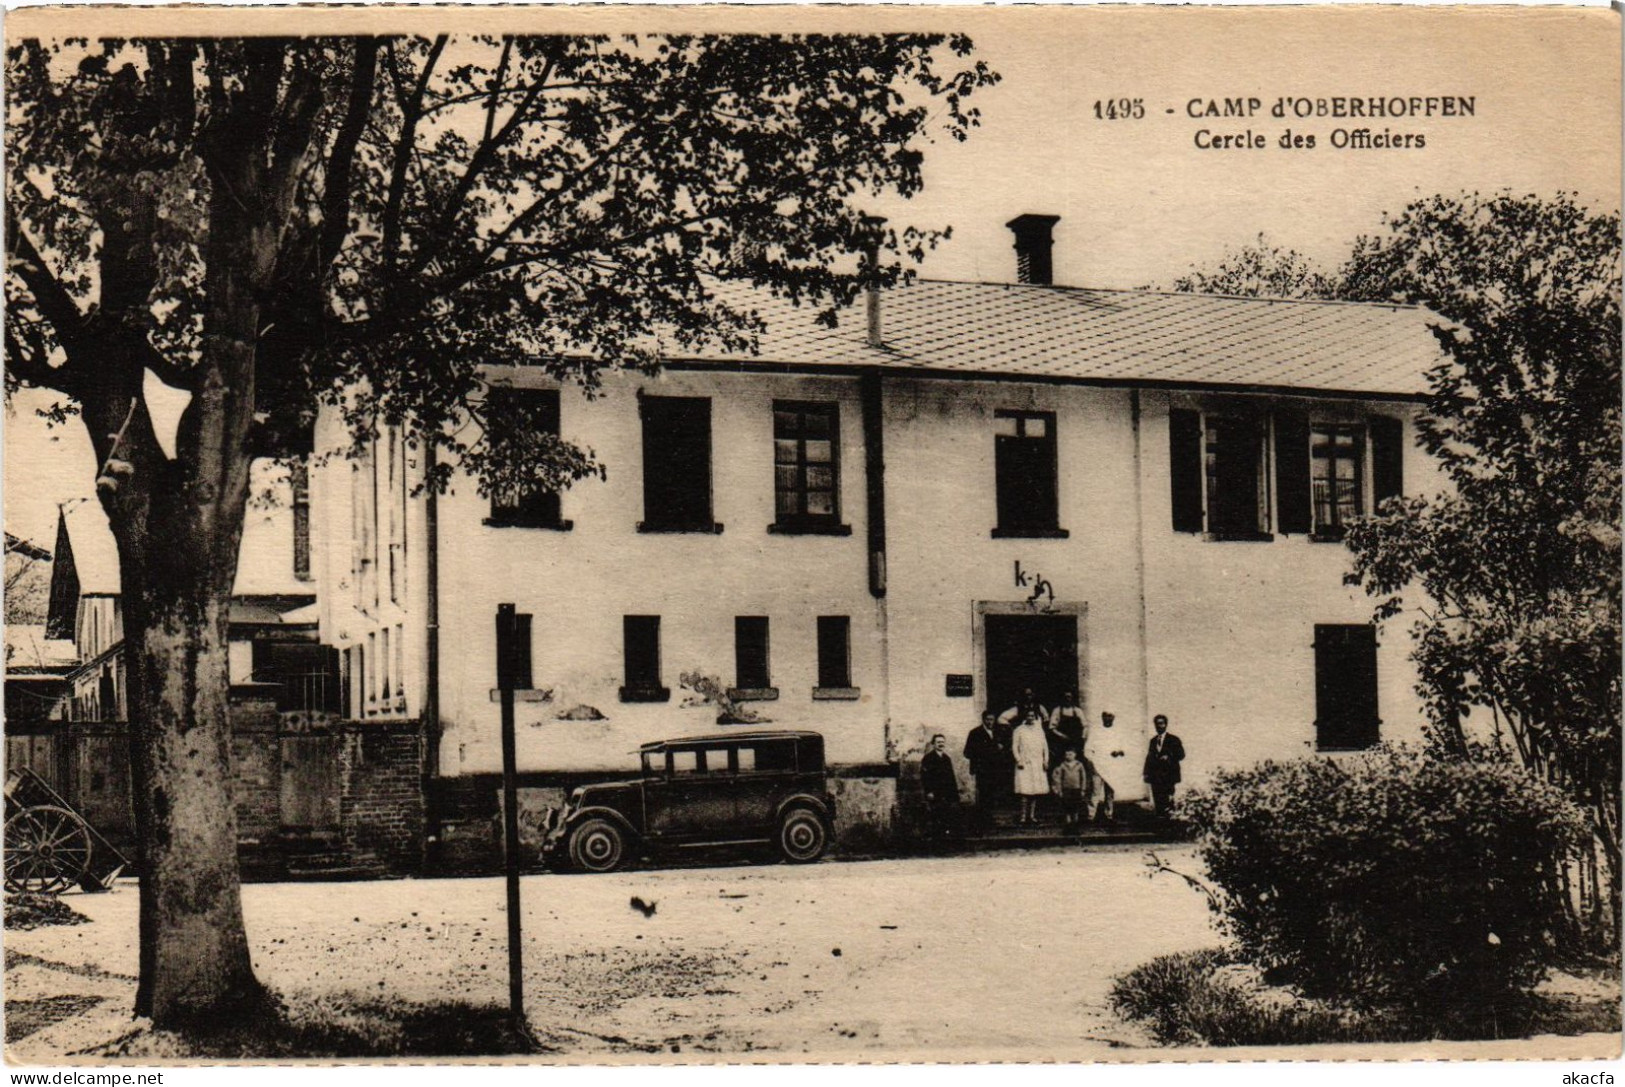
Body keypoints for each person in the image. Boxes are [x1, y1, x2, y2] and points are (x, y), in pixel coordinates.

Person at [963, 711, 1008, 832]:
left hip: (995, 769)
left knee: (992, 795)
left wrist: (1000, 749)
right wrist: (983, 752)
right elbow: (967, 752)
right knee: (983, 795)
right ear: (983, 720)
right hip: (982, 770)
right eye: (987, 719)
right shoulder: (975, 733)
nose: (990, 722)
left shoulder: (998, 732)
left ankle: (989, 819)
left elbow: (1004, 750)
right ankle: (983, 821)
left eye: (992, 719)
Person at [1010, 710, 1050, 825]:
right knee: (1024, 791)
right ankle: (1023, 816)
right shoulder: (1019, 730)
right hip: (1024, 763)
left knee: (1035, 791)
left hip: (1037, 762)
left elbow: (1045, 747)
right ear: (1025, 717)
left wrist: (1045, 761)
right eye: (1028, 715)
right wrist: (1019, 760)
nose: (1030, 717)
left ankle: (1031, 816)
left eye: (1033, 716)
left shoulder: (1039, 730)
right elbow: (1014, 746)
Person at [1143, 714, 1186, 818]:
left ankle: (1169, 823)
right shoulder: (1153, 741)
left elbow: (1181, 755)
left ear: (1166, 725)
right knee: (1158, 799)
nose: (1159, 726)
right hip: (1156, 776)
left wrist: (1169, 757)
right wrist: (1146, 773)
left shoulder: (1174, 739)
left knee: (1168, 800)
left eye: (1161, 723)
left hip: (1169, 775)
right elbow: (1149, 757)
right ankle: (1160, 822)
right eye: (1157, 724)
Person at [1084, 710, 1124, 822]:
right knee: (1095, 791)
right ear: (1102, 717)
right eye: (1105, 716)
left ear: (1114, 717)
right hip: (1098, 766)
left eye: (1110, 716)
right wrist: (1093, 761)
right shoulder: (1095, 731)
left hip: (1112, 766)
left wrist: (1119, 752)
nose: (1108, 718)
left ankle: (1109, 814)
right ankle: (1090, 815)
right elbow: (1088, 750)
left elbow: (1123, 749)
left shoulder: (1117, 732)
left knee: (1110, 792)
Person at [919, 734, 960, 840]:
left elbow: (951, 777)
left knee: (946, 816)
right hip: (935, 792)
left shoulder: (947, 758)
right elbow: (925, 777)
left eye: (942, 742)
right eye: (938, 742)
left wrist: (954, 794)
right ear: (933, 744)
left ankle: (944, 840)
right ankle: (935, 841)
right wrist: (929, 791)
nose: (941, 744)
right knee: (935, 816)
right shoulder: (928, 758)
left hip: (946, 793)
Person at [1047, 691, 1088, 774]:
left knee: (1077, 762)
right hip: (1061, 741)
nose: (1067, 699)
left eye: (1069, 697)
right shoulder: (1057, 710)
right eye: (1065, 697)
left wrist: (1082, 738)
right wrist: (1061, 736)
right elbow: (1052, 727)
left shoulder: (1077, 711)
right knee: (1060, 762)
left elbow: (1085, 726)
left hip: (1075, 740)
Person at [1050, 747, 1088, 832]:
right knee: (1067, 806)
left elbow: (1083, 778)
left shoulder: (1079, 765)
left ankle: (1075, 824)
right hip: (1066, 789)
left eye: (1070, 754)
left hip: (1076, 789)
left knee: (1076, 806)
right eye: (1066, 754)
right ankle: (1068, 824)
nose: (1068, 756)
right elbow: (1058, 778)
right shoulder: (1062, 765)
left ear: (1075, 755)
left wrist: (1083, 789)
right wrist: (1059, 790)